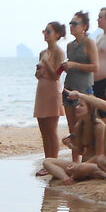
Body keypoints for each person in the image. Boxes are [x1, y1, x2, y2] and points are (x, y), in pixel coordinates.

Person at [40, 94, 104, 184]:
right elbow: (81, 152)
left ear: (90, 109)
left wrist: (82, 165)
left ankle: (74, 175)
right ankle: (66, 179)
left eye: (81, 105)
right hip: (82, 165)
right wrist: (70, 145)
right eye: (77, 105)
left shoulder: (99, 126)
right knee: (47, 161)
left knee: (81, 168)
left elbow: (100, 156)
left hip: (95, 165)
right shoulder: (79, 126)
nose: (77, 107)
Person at [34, 21, 66, 166]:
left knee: (51, 129)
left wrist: (46, 63)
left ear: (57, 34)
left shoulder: (59, 52)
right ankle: (47, 161)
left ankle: (53, 161)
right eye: (44, 31)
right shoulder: (42, 52)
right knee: (43, 129)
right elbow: (37, 74)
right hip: (42, 89)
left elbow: (56, 76)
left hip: (52, 90)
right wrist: (39, 71)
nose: (45, 35)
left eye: (48, 32)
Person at [61, 11, 99, 136]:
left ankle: (86, 155)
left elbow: (95, 67)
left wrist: (74, 65)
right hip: (68, 88)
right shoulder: (69, 46)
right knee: (72, 129)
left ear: (84, 26)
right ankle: (75, 156)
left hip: (83, 90)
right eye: (70, 23)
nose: (71, 26)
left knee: (84, 127)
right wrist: (66, 67)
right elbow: (72, 67)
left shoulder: (89, 43)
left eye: (75, 23)